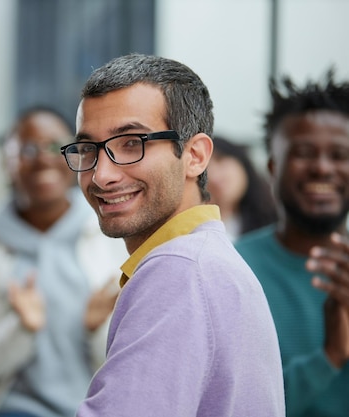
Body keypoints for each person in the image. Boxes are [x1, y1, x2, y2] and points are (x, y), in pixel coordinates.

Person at [60, 53, 285, 416]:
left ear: (195, 155)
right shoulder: (205, 259)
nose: (101, 175)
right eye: (88, 149)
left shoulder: (178, 270)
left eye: (132, 143)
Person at [0, 106, 127, 417]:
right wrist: (20, 329)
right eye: (28, 149)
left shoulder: (114, 235)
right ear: (6, 163)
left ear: (77, 157)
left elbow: (141, 364)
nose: (42, 158)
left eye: (56, 146)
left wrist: (97, 329)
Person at [235, 70, 349, 416]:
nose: (322, 168)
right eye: (303, 152)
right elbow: (234, 405)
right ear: (272, 166)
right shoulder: (234, 269)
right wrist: (330, 354)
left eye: (340, 154)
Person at [206, 135, 277, 241]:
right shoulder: (197, 232)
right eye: (204, 171)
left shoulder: (277, 222)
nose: (213, 176)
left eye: (220, 160)